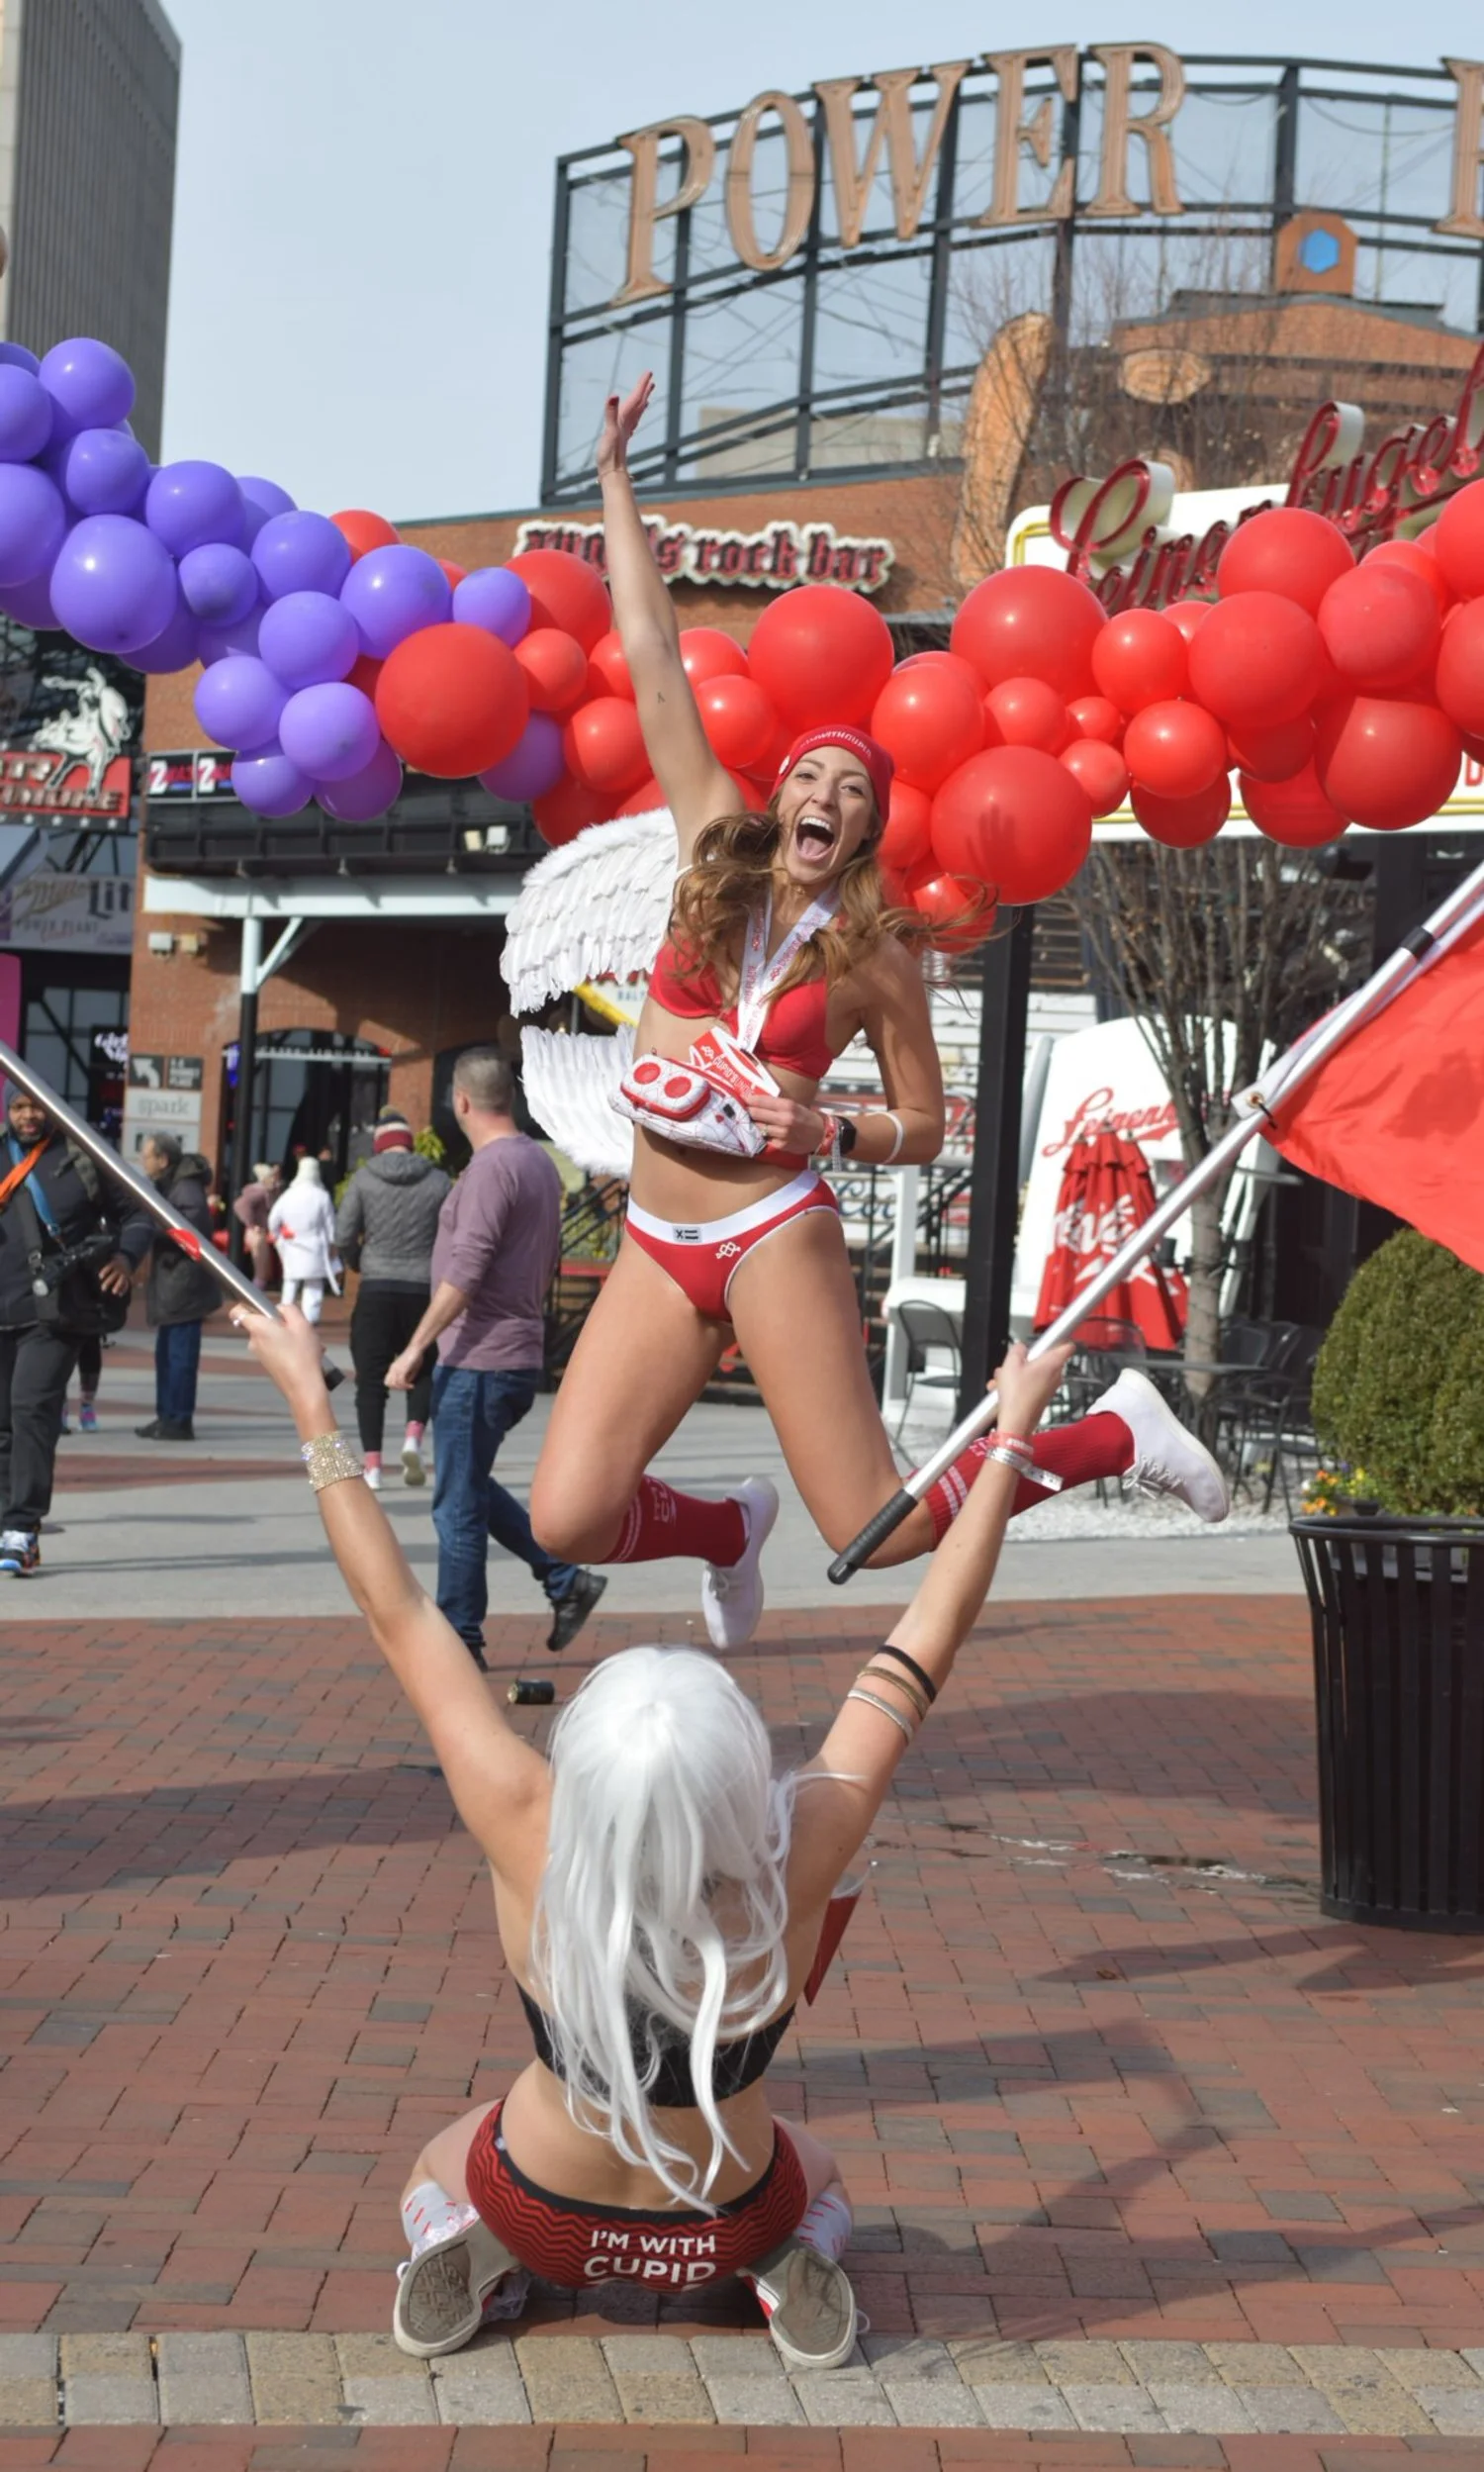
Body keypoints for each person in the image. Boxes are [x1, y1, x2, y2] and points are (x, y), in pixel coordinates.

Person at [524, 374, 1229, 1651]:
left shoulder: (874, 954)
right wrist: (617, 484)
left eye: (855, 788)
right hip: (651, 1236)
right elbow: (647, 658)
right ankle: (726, 1528)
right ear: (778, 790)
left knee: (876, 1531)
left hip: (768, 1235)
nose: (829, 796)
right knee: (567, 1514)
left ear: (864, 826)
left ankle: (1114, 1429)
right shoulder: (708, 853)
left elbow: (928, 1121)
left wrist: (832, 1128)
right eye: (814, 775)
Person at [239, 1295, 1075, 2363]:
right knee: (817, 2164)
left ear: (584, 1758)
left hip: (542, 2196)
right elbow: (926, 1642)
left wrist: (313, 1400)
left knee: (442, 2154)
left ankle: (463, 2248)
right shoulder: (804, 1833)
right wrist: (1008, 1438)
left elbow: (397, 1612)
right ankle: (791, 2262)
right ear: (737, 1763)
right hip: (734, 2207)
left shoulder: (525, 1816)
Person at [383, 1046, 605, 1663]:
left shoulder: (489, 1170)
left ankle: (461, 1638)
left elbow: (467, 1270)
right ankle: (565, 1579)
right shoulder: (537, 1163)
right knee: (469, 1487)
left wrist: (414, 1347)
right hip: (513, 1353)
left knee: (455, 1504)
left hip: (479, 1358)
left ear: (460, 1101)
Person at [0, 1082, 150, 1575]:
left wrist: (126, 1259)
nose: (27, 1115)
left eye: (35, 1106)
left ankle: (23, 1526)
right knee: (3, 1423)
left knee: (31, 1409)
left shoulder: (82, 1154)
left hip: (58, 1312)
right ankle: (7, 1523)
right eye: (18, 1107)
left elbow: (139, 1210)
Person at [335, 1107, 450, 1490]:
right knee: (422, 1367)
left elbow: (343, 1233)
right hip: (422, 1289)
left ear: (379, 1144)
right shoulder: (438, 1182)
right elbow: (453, 1236)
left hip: (376, 1287)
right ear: (409, 1142)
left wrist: (356, 1261)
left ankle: (371, 1467)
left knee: (370, 1379)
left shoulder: (364, 1180)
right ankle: (413, 1438)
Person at [136, 1134, 222, 1443]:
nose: (143, 1163)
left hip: (183, 1286)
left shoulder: (185, 1188)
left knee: (180, 1357)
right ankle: (166, 1416)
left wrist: (152, 1231)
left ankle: (179, 1419)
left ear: (163, 1160)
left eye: (147, 1156)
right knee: (166, 1356)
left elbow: (191, 1233)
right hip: (172, 1284)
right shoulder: (171, 1185)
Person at [268, 1156, 339, 1322]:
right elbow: (330, 1224)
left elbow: (273, 1220)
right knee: (313, 1283)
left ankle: (285, 1312)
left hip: (292, 1242)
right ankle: (310, 1318)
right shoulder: (322, 1196)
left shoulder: (288, 1195)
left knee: (290, 1280)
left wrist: (279, 1236)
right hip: (315, 1244)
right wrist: (332, 1243)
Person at [234, 1162, 282, 1290]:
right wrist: (251, 1224)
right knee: (261, 1268)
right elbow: (240, 1205)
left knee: (263, 1267)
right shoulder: (257, 1191)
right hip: (257, 1232)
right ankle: (254, 1293)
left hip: (260, 1231)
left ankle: (256, 1291)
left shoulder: (267, 1190)